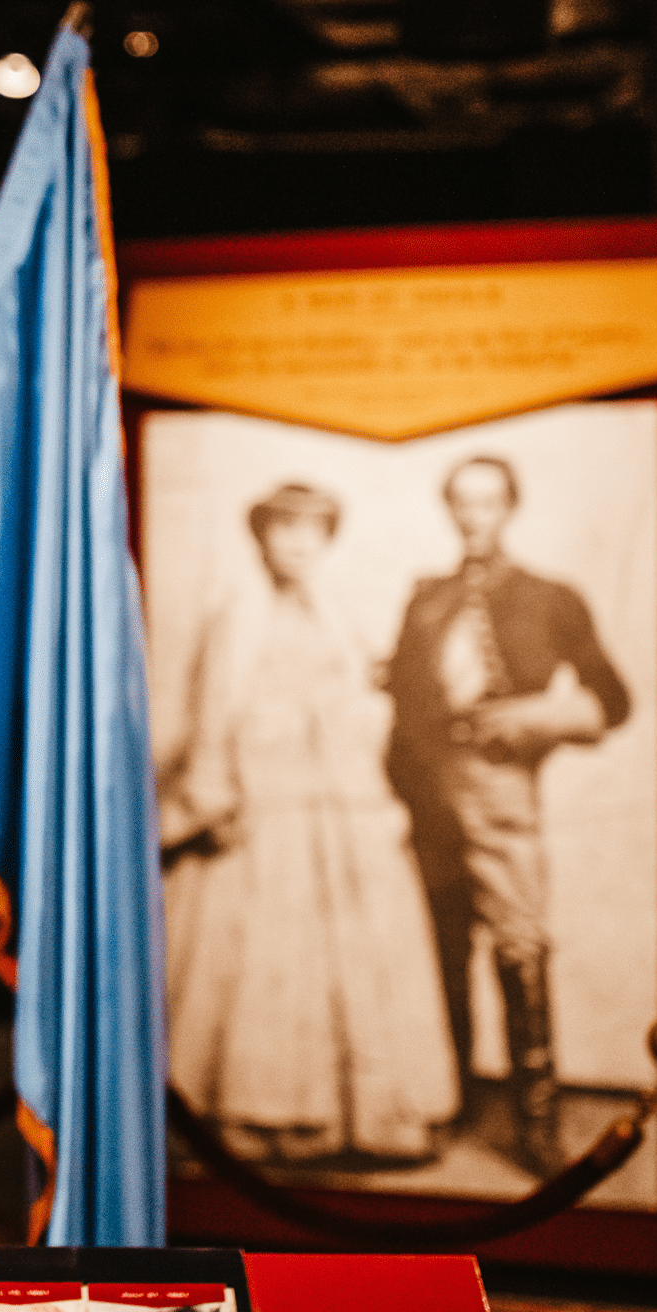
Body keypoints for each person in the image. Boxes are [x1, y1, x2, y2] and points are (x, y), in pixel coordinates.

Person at [160, 482, 457, 1163]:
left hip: (343, 809)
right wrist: (213, 796)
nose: (296, 542)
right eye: (283, 528)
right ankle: (258, 1114)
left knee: (363, 955)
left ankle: (362, 1116)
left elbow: (367, 701)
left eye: (312, 529)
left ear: (328, 539)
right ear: (260, 536)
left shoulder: (340, 613)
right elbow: (213, 712)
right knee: (261, 959)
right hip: (264, 811)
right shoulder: (236, 614)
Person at [383, 454, 631, 1176]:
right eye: (461, 501)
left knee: (520, 946)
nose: (473, 515)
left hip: (500, 790)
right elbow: (403, 698)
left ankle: (535, 1126)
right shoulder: (424, 598)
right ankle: (455, 1101)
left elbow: (611, 700)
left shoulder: (550, 596)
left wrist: (536, 716)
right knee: (442, 944)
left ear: (509, 506)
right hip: (425, 792)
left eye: (487, 502)